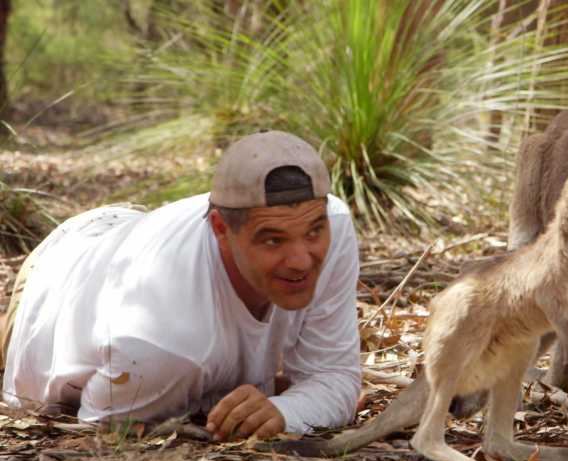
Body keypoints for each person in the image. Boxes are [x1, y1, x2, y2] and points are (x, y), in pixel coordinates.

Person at [0, 131, 362, 441]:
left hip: (130, 228)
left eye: (314, 230)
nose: (301, 259)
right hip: (52, 284)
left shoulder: (335, 225)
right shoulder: (162, 346)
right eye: (272, 240)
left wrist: (284, 410)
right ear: (221, 229)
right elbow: (102, 429)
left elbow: (335, 377)